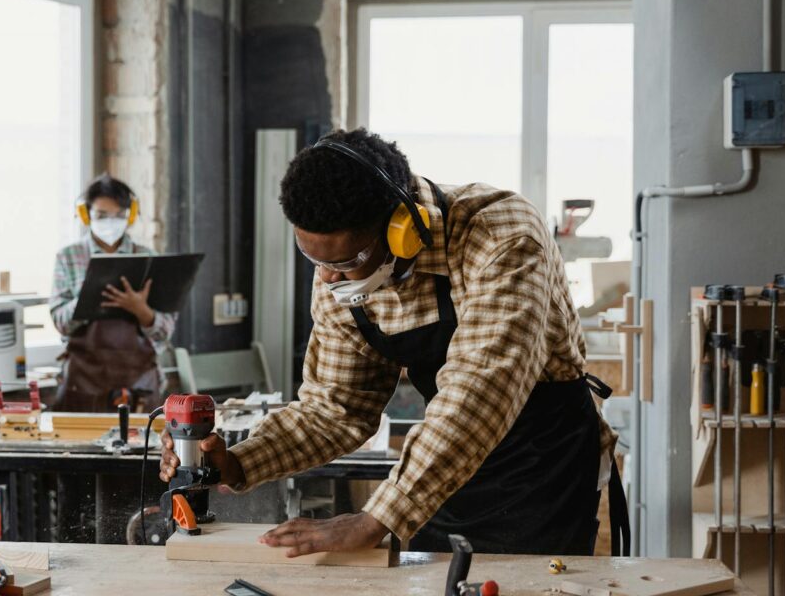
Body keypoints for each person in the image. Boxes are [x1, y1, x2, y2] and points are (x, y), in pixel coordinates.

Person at [159, 128, 626, 556]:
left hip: (540, 467)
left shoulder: (500, 233)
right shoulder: (339, 277)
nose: (327, 277)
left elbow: (478, 392)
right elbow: (335, 409)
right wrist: (237, 463)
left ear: (403, 228)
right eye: (313, 258)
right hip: (438, 468)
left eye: (346, 261)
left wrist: (376, 517)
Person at [49, 174, 175, 412]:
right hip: (83, 381)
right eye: (102, 215)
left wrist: (142, 311)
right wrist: (89, 298)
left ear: (130, 215)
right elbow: (60, 323)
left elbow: (165, 331)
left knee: (144, 447)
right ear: (86, 215)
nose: (110, 222)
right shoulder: (69, 257)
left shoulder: (148, 259)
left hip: (139, 383)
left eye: (118, 216)